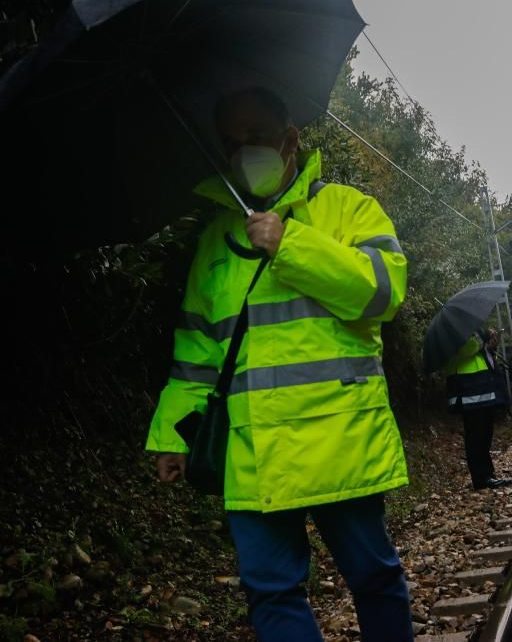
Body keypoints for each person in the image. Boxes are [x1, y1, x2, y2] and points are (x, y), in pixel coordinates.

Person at [145, 87, 413, 641]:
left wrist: (290, 243)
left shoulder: (348, 207)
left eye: (257, 138)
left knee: (373, 577)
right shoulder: (215, 240)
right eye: (232, 143)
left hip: (338, 434)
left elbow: (381, 294)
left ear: (291, 140)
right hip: (251, 448)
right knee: (270, 593)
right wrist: (171, 434)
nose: (245, 152)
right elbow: (197, 351)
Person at [444, 326, 512, 490]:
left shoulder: (472, 329)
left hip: (481, 390)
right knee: (476, 436)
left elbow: (480, 353)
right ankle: (481, 479)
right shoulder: (453, 331)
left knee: (485, 434)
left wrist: (489, 344)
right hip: (468, 391)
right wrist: (484, 339)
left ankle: (488, 475)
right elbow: (465, 350)